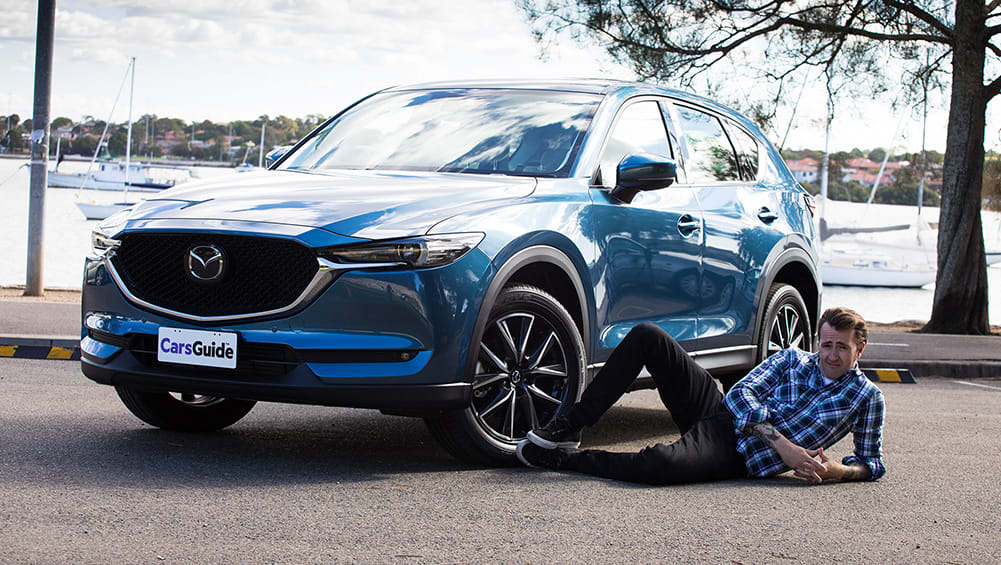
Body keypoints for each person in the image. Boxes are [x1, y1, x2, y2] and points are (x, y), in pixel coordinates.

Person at [516, 306, 885, 485]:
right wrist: (783, 445)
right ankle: (573, 424)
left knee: (660, 465)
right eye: (826, 345)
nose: (831, 355)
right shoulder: (793, 358)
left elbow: (872, 463)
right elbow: (740, 394)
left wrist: (841, 471)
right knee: (649, 335)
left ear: (860, 350)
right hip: (718, 411)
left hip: (737, 454)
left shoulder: (866, 399)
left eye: (841, 348)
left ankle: (566, 460)